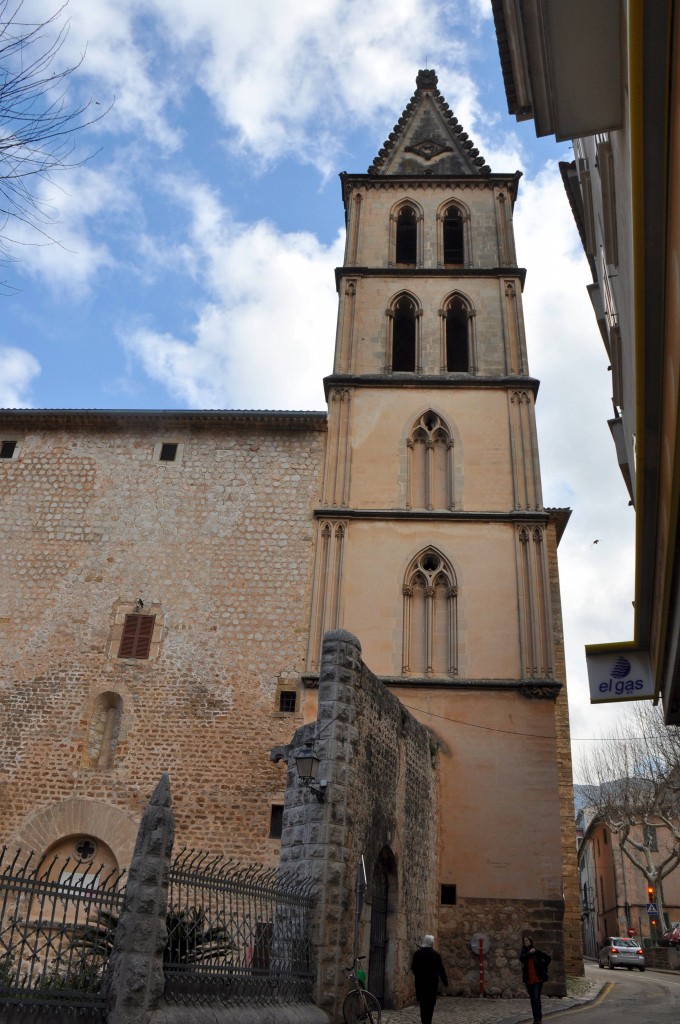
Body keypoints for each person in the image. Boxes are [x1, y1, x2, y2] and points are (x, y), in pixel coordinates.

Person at [411, 934, 448, 1024]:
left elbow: (413, 967)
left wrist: (418, 975)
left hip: (420, 983)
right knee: (430, 1005)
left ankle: (424, 1021)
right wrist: (445, 981)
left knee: (423, 1005)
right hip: (432, 984)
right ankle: (428, 1022)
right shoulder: (436, 955)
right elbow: (441, 970)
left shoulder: (417, 954)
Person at [519, 935, 551, 1024]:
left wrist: (543, 967)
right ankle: (535, 1018)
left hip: (538, 979)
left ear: (530, 941)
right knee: (533, 999)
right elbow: (522, 958)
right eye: (524, 941)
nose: (526, 942)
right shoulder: (524, 953)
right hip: (529, 980)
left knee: (536, 998)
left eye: (527, 940)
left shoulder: (536, 952)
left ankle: (538, 1019)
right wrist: (529, 952)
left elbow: (548, 958)